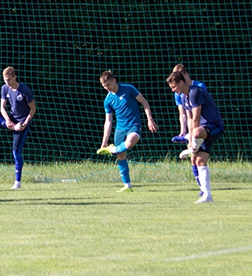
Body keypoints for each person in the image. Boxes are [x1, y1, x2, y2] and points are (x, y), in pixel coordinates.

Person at [167, 70, 224, 203]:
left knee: (197, 132)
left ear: (182, 82)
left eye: (174, 87)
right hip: (202, 130)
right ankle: (207, 195)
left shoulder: (195, 92)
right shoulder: (183, 97)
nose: (173, 90)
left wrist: (192, 138)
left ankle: (190, 148)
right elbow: (190, 119)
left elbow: (196, 118)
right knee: (199, 161)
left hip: (214, 127)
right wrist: (190, 138)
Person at [96, 71, 158, 191]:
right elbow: (108, 121)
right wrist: (104, 142)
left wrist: (150, 119)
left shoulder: (128, 89)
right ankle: (127, 185)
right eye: (104, 86)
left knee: (130, 142)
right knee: (121, 156)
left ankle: (112, 150)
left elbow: (144, 102)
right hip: (120, 129)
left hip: (134, 125)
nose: (107, 88)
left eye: (108, 85)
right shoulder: (108, 100)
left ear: (114, 80)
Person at [0, 66, 36, 189]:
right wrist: (7, 120)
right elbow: (2, 108)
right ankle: (10, 126)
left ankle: (17, 182)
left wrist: (24, 124)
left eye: (9, 80)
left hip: (22, 123)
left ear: (15, 77)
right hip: (11, 120)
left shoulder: (24, 91)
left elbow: (33, 109)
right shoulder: (5, 88)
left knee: (16, 152)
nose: (7, 82)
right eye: (5, 80)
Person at [170, 64, 205, 191]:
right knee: (194, 159)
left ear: (186, 75)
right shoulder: (179, 93)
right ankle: (203, 188)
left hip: (203, 125)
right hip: (193, 127)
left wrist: (192, 135)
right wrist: (183, 132)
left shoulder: (198, 87)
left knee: (199, 157)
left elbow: (197, 114)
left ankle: (204, 190)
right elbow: (184, 114)